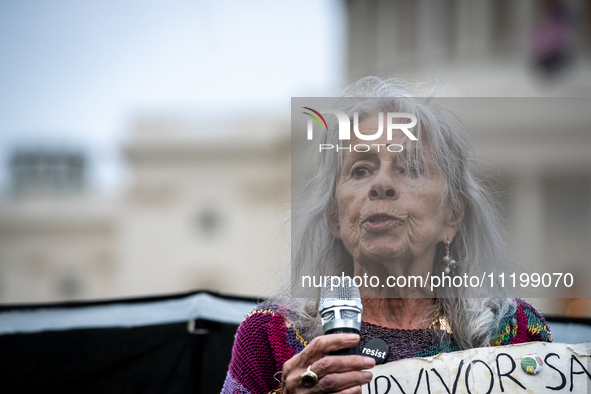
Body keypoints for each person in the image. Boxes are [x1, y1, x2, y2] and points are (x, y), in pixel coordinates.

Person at [221, 78, 552, 394]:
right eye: (361, 169)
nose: (380, 183)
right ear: (334, 217)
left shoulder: (515, 334)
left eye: (409, 167)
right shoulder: (269, 336)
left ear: (452, 215)